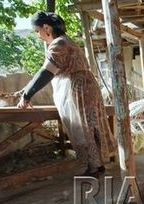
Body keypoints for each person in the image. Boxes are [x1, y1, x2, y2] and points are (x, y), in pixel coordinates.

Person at [17, 11, 116, 177]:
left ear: (46, 28)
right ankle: (97, 165)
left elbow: (46, 72)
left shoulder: (59, 44)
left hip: (80, 90)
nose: (38, 36)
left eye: (37, 31)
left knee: (84, 127)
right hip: (87, 87)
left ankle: (95, 167)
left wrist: (26, 95)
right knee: (91, 126)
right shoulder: (67, 41)